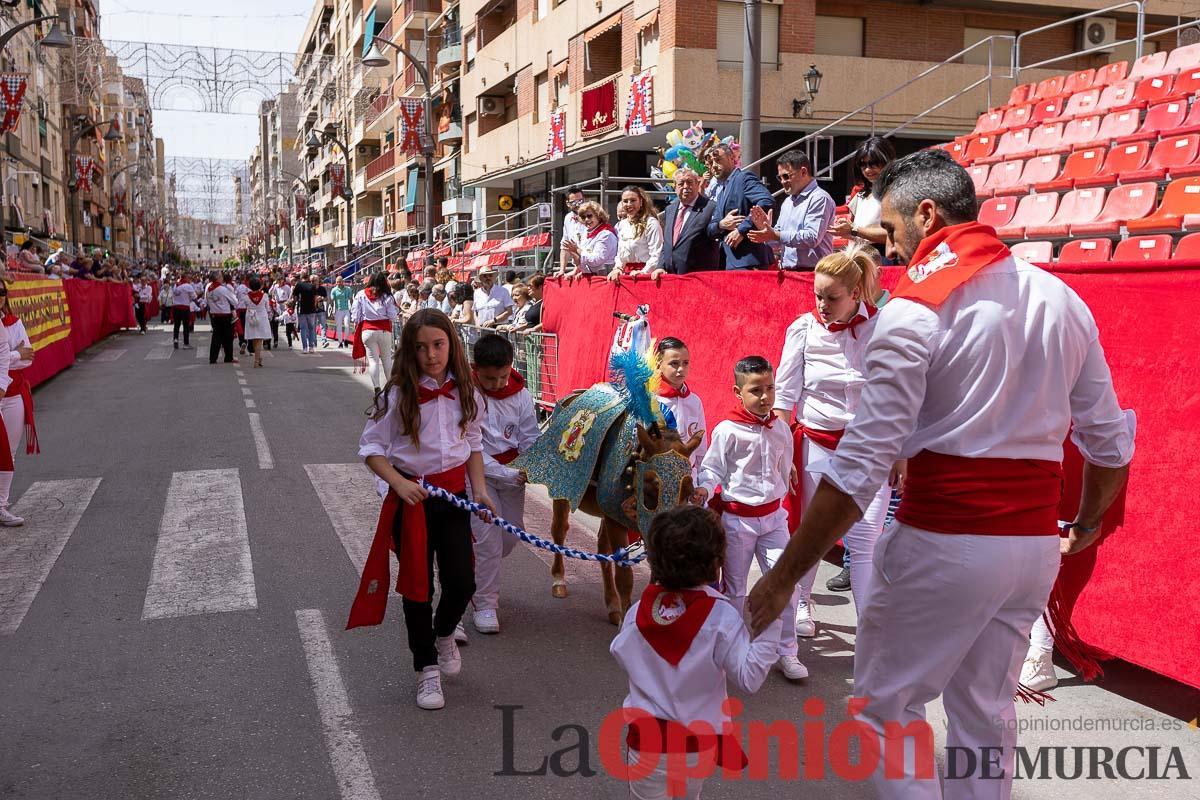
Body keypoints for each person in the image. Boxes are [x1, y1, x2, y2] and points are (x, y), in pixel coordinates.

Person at [747, 149, 1135, 798]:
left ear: (927, 214)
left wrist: (786, 576)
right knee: (986, 718)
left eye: (895, 232)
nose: (893, 250)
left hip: (944, 543)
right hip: (1032, 550)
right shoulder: (1060, 297)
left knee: (883, 710)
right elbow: (1110, 445)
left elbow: (857, 471)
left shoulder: (915, 311)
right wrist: (1087, 522)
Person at [350, 308, 497, 711]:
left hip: (453, 500)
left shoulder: (467, 393)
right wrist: (399, 483)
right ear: (409, 352)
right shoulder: (396, 395)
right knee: (418, 588)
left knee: (463, 582)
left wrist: (479, 490)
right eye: (421, 348)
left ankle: (445, 631)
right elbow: (371, 449)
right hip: (411, 502)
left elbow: (474, 444)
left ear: (451, 344)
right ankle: (426, 669)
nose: (431, 355)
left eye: (438, 344)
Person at [610, 505, 781, 800]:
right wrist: (773, 621)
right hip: (697, 744)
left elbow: (620, 651)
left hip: (646, 742)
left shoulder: (638, 612)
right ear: (716, 563)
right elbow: (750, 677)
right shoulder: (721, 618)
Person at [772, 244, 898, 634]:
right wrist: (782, 453)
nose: (822, 304)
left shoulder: (883, 327)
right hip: (815, 446)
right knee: (814, 534)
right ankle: (803, 605)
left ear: (856, 293)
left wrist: (901, 451)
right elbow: (784, 398)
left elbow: (897, 395)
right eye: (817, 295)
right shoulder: (803, 329)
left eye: (832, 297)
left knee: (864, 543)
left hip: (868, 451)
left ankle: (870, 632)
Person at [691, 356, 807, 682]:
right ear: (737, 392)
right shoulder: (727, 431)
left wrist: (788, 471)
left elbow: (783, 458)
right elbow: (713, 467)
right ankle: (735, 649)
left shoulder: (780, 427)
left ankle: (786, 651)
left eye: (770, 388)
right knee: (735, 590)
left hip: (774, 519)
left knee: (786, 584)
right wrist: (703, 487)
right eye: (756, 390)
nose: (765, 396)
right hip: (738, 521)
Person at [469, 334, 540, 634]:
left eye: (502, 376)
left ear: (510, 367)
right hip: (476, 474)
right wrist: (503, 472)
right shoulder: (466, 392)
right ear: (475, 369)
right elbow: (469, 444)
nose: (497, 384)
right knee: (488, 539)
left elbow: (529, 435)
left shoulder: (521, 393)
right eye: (489, 378)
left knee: (510, 538)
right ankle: (485, 603)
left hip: (513, 475)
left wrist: (535, 464)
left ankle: (475, 568)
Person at [747, 150, 835, 271]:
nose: (783, 182)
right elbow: (778, 241)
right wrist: (765, 231)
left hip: (813, 273)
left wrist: (775, 234)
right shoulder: (787, 202)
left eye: (786, 176)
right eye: (780, 177)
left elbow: (812, 238)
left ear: (803, 172)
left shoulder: (819, 198)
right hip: (788, 273)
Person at [704, 143, 775, 270]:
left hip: (749, 262)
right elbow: (710, 229)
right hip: (727, 262)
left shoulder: (743, 178)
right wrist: (721, 225)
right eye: (711, 162)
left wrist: (741, 230)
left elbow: (766, 201)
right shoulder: (721, 192)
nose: (714, 166)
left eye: (718, 159)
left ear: (732, 158)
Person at [0, 281, 33, 526]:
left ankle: (1, 505)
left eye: (2, 292)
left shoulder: (13, 323)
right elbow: (16, 357)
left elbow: (28, 358)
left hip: (12, 395)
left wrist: (15, 357)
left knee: (8, 453)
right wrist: (15, 354)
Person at [829, 136, 896, 257]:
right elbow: (857, 233)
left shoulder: (895, 192)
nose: (867, 169)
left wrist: (854, 230)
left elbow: (895, 234)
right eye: (863, 165)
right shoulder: (860, 195)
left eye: (873, 164)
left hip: (882, 257)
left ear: (887, 162)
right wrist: (845, 229)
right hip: (858, 255)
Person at [655, 337, 707, 479]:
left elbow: (701, 447)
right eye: (674, 363)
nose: (681, 369)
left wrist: (701, 481)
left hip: (688, 475)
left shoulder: (694, 402)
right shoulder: (651, 400)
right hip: (658, 476)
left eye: (685, 363)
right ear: (659, 364)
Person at [654, 168, 719, 277]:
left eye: (689, 182)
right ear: (675, 186)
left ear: (698, 184)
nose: (685, 187)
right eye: (681, 183)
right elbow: (668, 243)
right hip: (671, 276)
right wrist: (660, 266)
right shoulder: (669, 209)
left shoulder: (710, 207)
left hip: (698, 277)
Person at [350, 271, 401, 392]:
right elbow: (393, 316)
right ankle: (389, 386)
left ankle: (377, 386)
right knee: (386, 359)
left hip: (367, 330)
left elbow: (355, 314)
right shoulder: (387, 296)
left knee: (373, 360)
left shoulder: (361, 294)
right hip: (384, 330)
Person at [607, 186, 664, 282]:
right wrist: (617, 268)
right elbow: (620, 254)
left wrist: (643, 272)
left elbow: (656, 254)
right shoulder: (620, 225)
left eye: (633, 200)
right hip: (625, 276)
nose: (629, 204)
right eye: (625, 201)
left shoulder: (651, 223)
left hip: (645, 275)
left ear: (641, 202)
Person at [560, 201, 618, 277]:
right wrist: (573, 253)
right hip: (592, 276)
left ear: (598, 215)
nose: (586, 219)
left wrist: (577, 250)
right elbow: (581, 261)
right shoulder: (586, 233)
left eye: (589, 216)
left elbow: (597, 260)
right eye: (583, 217)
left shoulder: (606, 234)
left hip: (605, 277)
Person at [205, 273, 238, 365]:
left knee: (216, 337)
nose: (222, 278)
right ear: (218, 278)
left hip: (214, 315)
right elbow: (234, 301)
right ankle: (228, 357)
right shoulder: (222, 289)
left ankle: (213, 358)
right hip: (225, 315)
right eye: (220, 276)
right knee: (228, 337)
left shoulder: (209, 289)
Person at [244, 276, 273, 368]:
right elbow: (268, 308)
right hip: (262, 317)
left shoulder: (246, 296)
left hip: (251, 317)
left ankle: (258, 358)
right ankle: (256, 360)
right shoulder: (264, 296)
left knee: (254, 337)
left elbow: (246, 306)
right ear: (260, 286)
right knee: (259, 338)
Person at [558, 186, 587, 272]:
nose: (578, 204)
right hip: (578, 265)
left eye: (580, 201)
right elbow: (565, 245)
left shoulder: (592, 215)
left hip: (595, 266)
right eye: (574, 202)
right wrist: (561, 270)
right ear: (568, 204)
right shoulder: (568, 218)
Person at [292, 272, 320, 353]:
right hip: (311, 310)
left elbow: (295, 297)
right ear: (308, 278)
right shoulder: (312, 286)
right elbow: (315, 298)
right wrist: (314, 307)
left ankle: (305, 348)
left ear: (301, 278)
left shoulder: (299, 285)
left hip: (302, 310)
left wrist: (295, 302)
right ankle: (311, 347)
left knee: (303, 329)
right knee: (311, 328)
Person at [170, 273, 197, 349]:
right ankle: (186, 344)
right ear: (186, 278)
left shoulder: (176, 285)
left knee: (176, 325)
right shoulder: (188, 286)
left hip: (175, 308)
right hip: (184, 308)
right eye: (189, 278)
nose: (190, 279)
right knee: (186, 326)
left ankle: (175, 339)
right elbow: (194, 297)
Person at [329, 275, 353, 348]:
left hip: (346, 310)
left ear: (343, 282)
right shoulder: (334, 290)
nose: (338, 283)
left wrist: (353, 308)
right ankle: (340, 342)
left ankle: (345, 339)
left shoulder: (348, 289)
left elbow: (351, 299)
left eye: (339, 282)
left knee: (347, 325)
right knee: (339, 326)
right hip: (338, 310)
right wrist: (331, 309)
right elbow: (332, 301)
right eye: (337, 282)